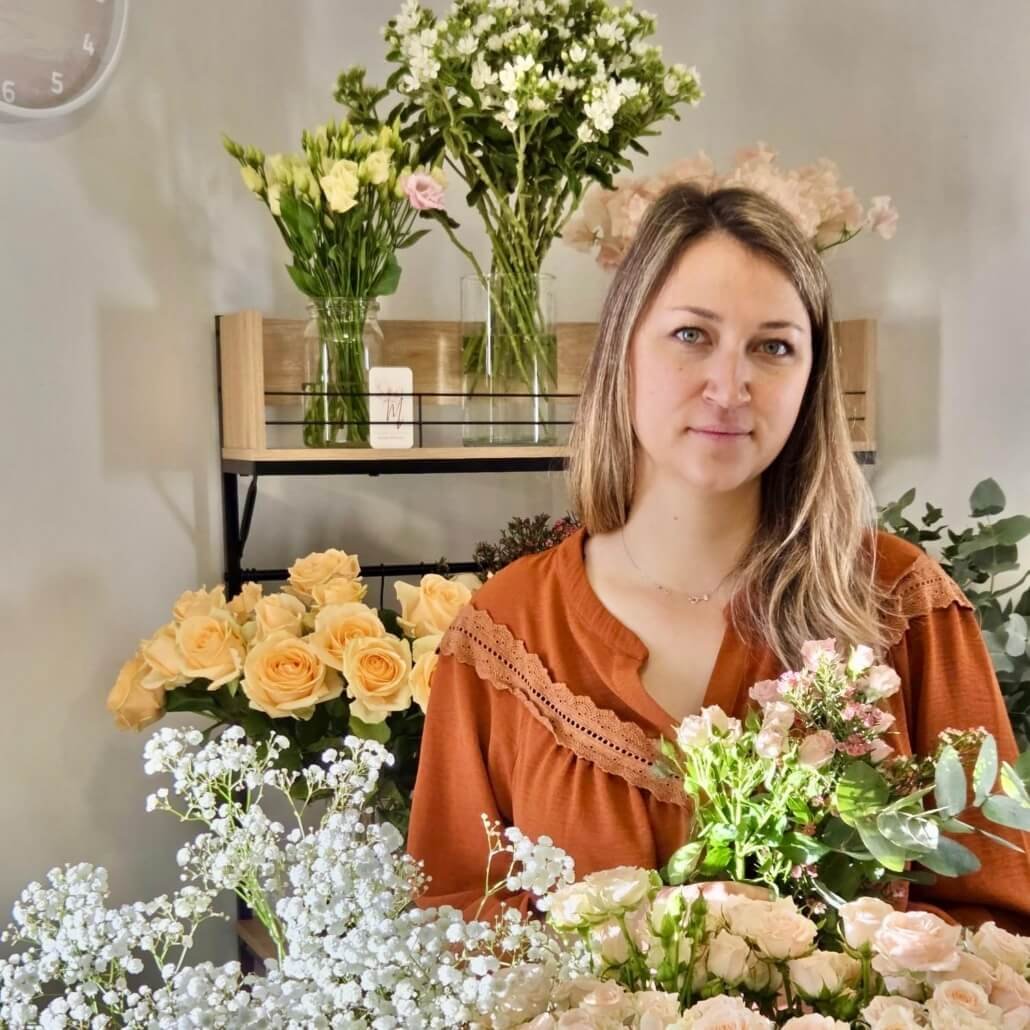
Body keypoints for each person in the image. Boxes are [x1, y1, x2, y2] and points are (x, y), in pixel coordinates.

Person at [406, 183, 1030, 932]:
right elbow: (450, 928)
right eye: (692, 335)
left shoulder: (902, 607)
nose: (729, 388)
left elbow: (1000, 924)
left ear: (809, 379)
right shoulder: (503, 640)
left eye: (773, 348)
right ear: (622, 350)